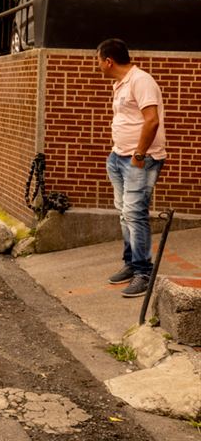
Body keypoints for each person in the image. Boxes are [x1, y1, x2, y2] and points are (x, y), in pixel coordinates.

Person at [97, 38, 167, 299]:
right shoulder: (120, 83)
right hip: (119, 157)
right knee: (124, 213)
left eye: (98, 61)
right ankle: (131, 263)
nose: (98, 67)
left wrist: (138, 155)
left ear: (108, 61)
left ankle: (144, 273)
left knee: (135, 214)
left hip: (140, 160)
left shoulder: (141, 81)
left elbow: (152, 121)